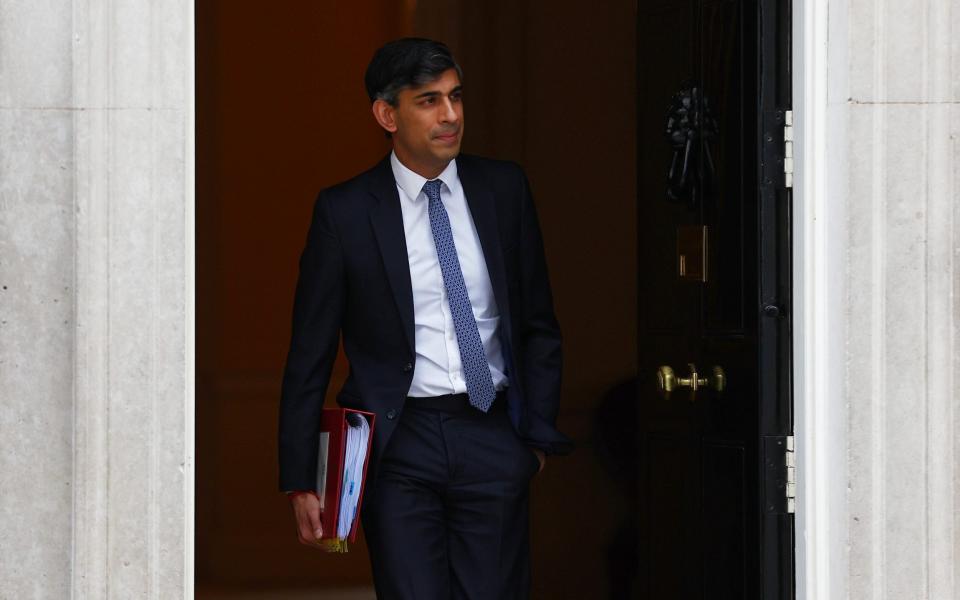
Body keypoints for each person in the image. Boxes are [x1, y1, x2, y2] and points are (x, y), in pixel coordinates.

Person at [277, 37, 573, 599]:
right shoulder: (343, 212)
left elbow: (537, 322)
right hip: (398, 444)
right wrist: (301, 480)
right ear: (387, 114)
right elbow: (309, 354)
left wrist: (530, 443)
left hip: (490, 432)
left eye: (456, 97)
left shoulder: (504, 188)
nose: (451, 115)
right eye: (429, 101)